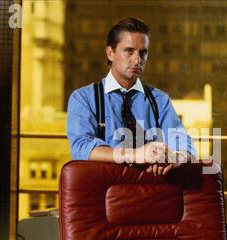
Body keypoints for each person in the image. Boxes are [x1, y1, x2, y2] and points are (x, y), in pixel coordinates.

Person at [67, 17, 196, 176]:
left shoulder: (159, 100)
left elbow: (185, 144)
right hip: (104, 191)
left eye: (143, 53)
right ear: (110, 53)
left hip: (151, 190)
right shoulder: (83, 98)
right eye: (129, 51)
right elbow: (81, 147)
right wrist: (137, 154)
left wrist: (173, 158)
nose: (137, 60)